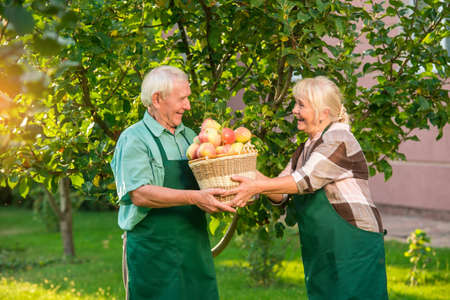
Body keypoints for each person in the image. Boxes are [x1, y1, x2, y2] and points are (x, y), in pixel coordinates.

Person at [225, 76, 389, 299]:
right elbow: (281, 192)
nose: (294, 111)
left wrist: (256, 186)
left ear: (324, 113)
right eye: (295, 104)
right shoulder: (306, 147)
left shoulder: (338, 139)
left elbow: (304, 180)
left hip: (352, 243)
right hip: (325, 245)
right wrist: (242, 168)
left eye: (301, 105)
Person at [110, 65, 235, 300]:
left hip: (193, 246)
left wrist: (234, 188)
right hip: (153, 251)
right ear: (157, 99)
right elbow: (140, 194)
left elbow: (211, 180)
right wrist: (193, 197)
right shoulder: (135, 139)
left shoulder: (192, 138)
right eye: (182, 99)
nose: (187, 106)